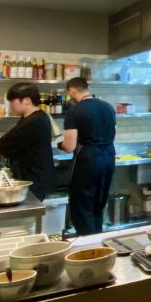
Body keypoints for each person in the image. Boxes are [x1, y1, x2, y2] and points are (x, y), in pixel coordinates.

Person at [57, 77, 116, 236]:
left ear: (72, 90)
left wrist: (60, 145)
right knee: (99, 202)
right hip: (109, 156)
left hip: (88, 159)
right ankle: (98, 240)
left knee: (82, 205)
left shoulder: (75, 111)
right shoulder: (108, 107)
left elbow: (70, 146)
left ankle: (88, 246)